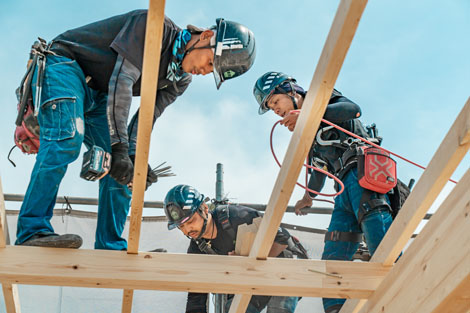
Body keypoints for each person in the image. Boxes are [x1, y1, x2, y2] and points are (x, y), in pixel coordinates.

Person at [15, 10, 256, 250]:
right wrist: (119, 148)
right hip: (66, 66)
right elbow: (122, 80)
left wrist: (131, 157)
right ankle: (32, 230)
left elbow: (146, 118)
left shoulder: (179, 80)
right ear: (205, 36)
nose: (204, 71)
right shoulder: (154, 27)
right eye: (211, 62)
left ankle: (109, 246)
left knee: (126, 175)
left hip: (99, 95)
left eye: (212, 72)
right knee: (67, 139)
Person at [253, 72, 394, 313]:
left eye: (275, 101)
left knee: (380, 242)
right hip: (343, 190)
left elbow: (353, 109)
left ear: (290, 90)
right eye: (270, 107)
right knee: (333, 259)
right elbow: (318, 169)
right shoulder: (308, 135)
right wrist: (309, 197)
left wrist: (307, 115)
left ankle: (404, 293)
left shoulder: (323, 99)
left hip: (362, 175)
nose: (275, 110)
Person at [164, 184, 303, 313]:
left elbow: (283, 238)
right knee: (234, 308)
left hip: (283, 267)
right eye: (181, 226)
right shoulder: (197, 250)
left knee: (278, 309)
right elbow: (196, 298)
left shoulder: (235, 217)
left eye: (190, 221)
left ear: (205, 209)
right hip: (251, 281)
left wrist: (248, 263)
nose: (187, 229)